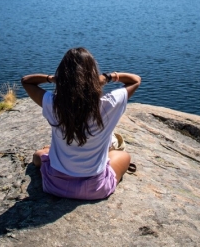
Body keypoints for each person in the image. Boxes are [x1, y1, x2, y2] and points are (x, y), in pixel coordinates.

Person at [21, 47, 141, 200]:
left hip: (55, 185)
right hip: (95, 189)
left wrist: (53, 79)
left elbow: (26, 81)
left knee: (39, 155)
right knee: (123, 156)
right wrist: (107, 77)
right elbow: (136, 80)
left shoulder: (53, 103)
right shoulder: (109, 103)